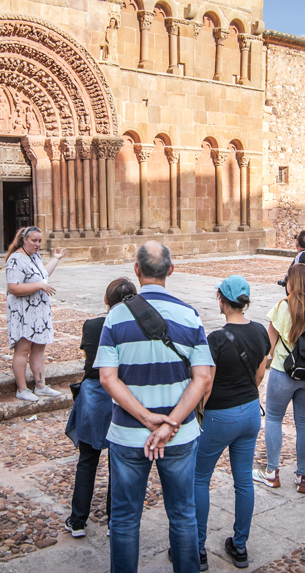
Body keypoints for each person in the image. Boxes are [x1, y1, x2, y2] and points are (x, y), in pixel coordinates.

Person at [96, 242, 213, 573]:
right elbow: (203, 378)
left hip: (129, 434)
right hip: (179, 434)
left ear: (137, 270)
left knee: (124, 518)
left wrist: (148, 418)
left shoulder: (116, 316)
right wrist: (170, 423)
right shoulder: (189, 315)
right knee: (183, 515)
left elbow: (107, 378)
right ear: (170, 270)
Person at [195, 276, 271, 570]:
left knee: (199, 478)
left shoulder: (215, 339)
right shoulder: (260, 331)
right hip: (250, 411)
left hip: (219, 415)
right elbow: (260, 374)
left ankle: (197, 548)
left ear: (222, 300)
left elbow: (207, 384)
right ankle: (240, 546)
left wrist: (201, 412)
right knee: (243, 481)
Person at [64, 277, 137, 539]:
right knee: (118, 461)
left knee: (87, 459)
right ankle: (113, 519)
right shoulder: (134, 329)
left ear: (106, 300)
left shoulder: (93, 325)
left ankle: (78, 520)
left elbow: (89, 357)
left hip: (95, 395)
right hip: (121, 395)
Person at [252, 263, 305, 494]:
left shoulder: (283, 307)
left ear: (293, 283)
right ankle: (302, 476)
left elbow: (269, 345)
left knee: (274, 418)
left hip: (283, 372)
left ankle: (272, 472)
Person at [5, 226, 67, 402]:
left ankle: (40, 386)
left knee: (39, 348)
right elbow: (13, 287)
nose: (38, 244)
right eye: (34, 240)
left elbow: (43, 275)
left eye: (40, 241)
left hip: (39, 312)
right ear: (24, 240)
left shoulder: (34, 256)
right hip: (24, 313)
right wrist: (39, 286)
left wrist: (56, 259)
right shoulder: (15, 259)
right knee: (23, 349)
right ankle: (22, 389)